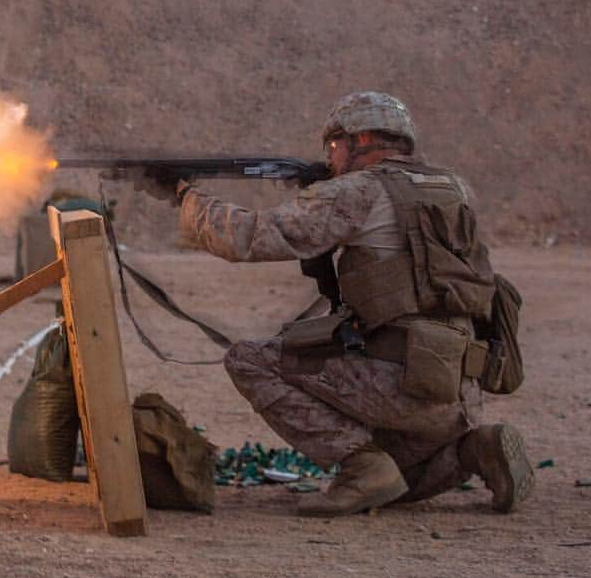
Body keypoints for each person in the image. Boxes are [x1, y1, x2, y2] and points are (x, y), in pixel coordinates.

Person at [141, 91, 533, 517]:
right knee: (403, 484)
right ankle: (475, 447)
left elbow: (249, 236)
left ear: (359, 138)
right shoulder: (454, 188)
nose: (330, 159)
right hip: (459, 386)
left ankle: (359, 463)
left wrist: (186, 196)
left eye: (333, 147)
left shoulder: (358, 190)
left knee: (249, 360)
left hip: (398, 381)